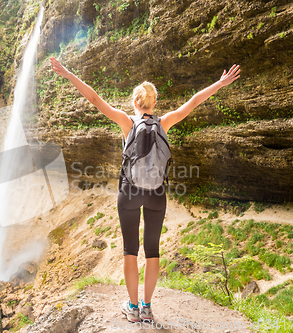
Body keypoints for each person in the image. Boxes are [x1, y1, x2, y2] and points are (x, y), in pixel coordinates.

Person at [50, 57, 240, 322]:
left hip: (129, 192)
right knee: (152, 251)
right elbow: (195, 101)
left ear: (136, 103)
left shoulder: (127, 122)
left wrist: (69, 74)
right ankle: (147, 307)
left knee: (130, 249)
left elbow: (94, 99)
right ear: (154, 103)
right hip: (156, 194)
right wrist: (220, 83)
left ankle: (132, 308)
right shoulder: (165, 123)